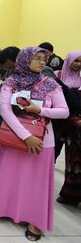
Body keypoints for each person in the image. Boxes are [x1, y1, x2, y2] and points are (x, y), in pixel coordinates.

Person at [0, 47, 69, 241]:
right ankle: (2, 208)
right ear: (25, 59)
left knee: (37, 183)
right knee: (8, 176)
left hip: (42, 141)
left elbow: (64, 111)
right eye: (37, 58)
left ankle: (34, 221)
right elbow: (5, 111)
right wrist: (25, 136)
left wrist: (39, 110)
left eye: (43, 59)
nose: (41, 62)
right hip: (13, 137)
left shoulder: (50, 84)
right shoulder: (11, 82)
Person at [56, 51, 81, 206]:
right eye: (76, 60)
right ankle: (69, 195)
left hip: (76, 127)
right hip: (61, 124)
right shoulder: (56, 76)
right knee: (70, 162)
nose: (78, 64)